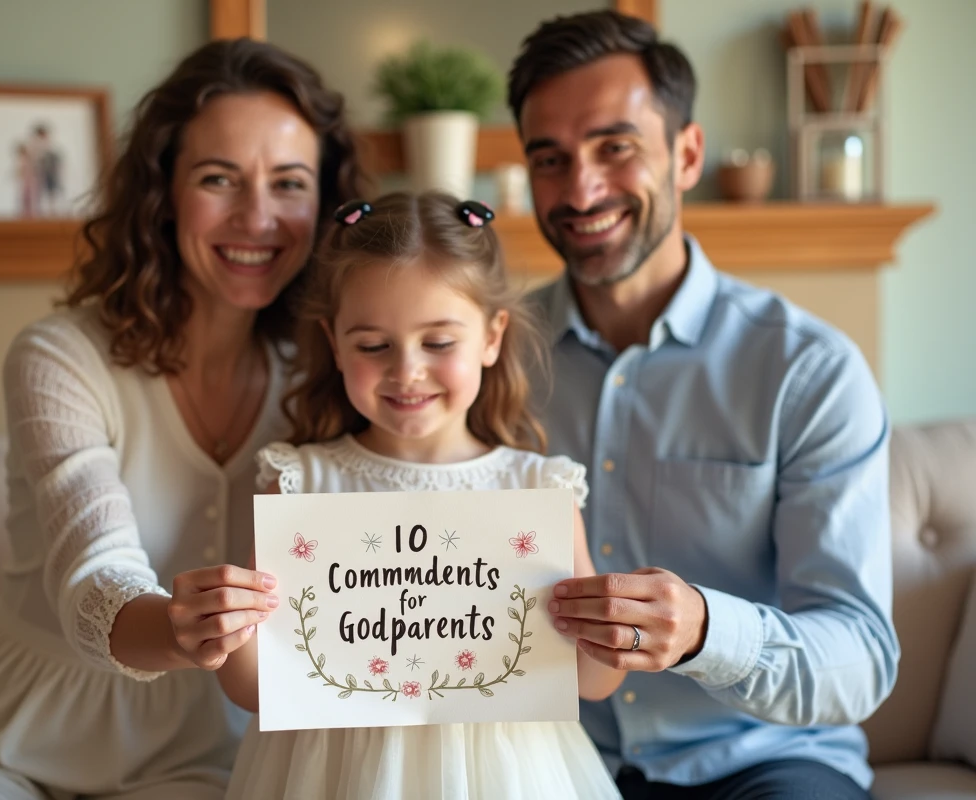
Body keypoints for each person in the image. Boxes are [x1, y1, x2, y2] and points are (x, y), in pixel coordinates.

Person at [0, 38, 362, 800]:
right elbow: (94, 579)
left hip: (202, 751)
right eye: (219, 179)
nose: (258, 217)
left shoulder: (332, 371)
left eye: (290, 183)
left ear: (326, 205)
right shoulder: (60, 356)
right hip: (1, 737)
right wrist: (181, 627)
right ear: (163, 192)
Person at [509, 11, 899, 799]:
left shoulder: (808, 371)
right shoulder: (491, 364)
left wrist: (706, 633)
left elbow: (861, 654)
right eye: (550, 159)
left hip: (765, 764)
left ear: (687, 154)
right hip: (552, 761)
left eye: (614, 147)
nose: (580, 189)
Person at [204, 191, 625, 799]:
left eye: (438, 342)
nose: (407, 371)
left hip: (508, 773)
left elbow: (591, 681)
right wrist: (227, 628)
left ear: (491, 336)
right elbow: (254, 688)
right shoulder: (300, 482)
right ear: (335, 341)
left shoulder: (540, 488)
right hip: (332, 775)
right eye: (374, 346)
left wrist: (610, 630)